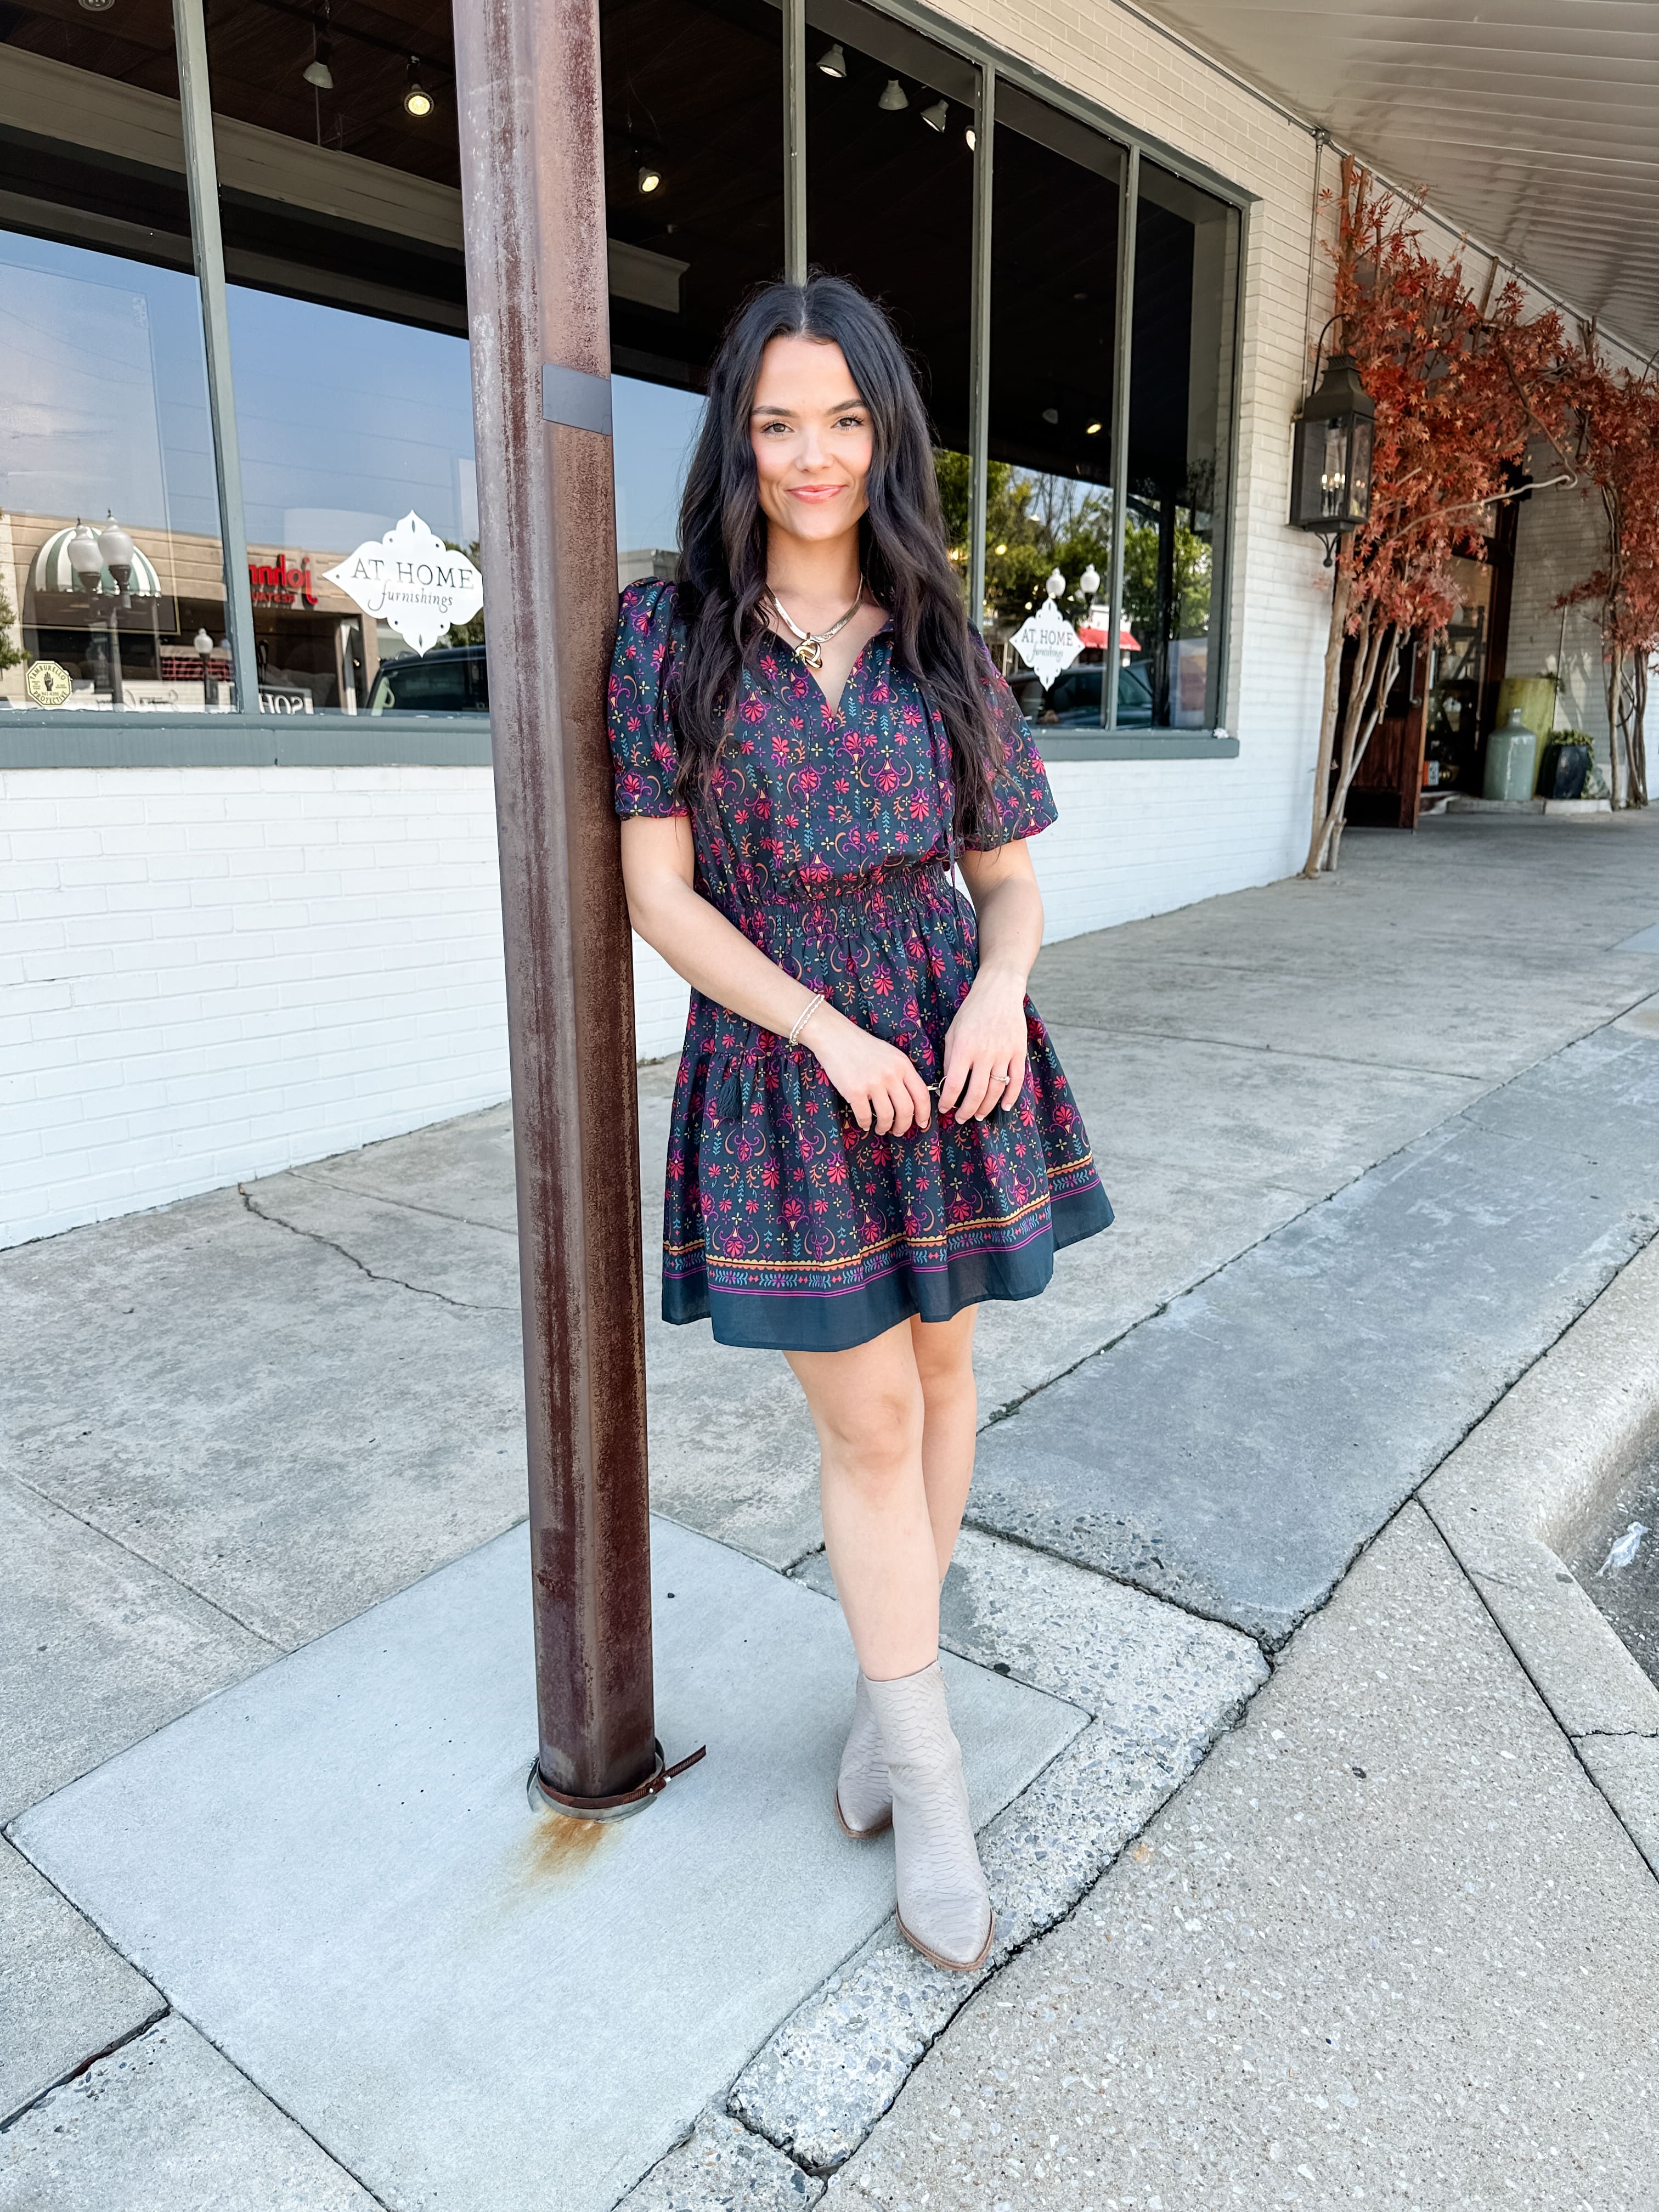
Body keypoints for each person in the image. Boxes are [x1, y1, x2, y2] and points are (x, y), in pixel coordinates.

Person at [608, 273, 1112, 1973]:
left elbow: (1011, 884)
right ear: (736, 439)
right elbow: (660, 902)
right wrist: (824, 1030)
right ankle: (935, 1771)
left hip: (953, 1058)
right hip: (792, 1069)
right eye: (776, 423)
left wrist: (989, 989)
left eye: (843, 421)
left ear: (883, 433)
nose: (811, 456)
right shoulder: (665, 632)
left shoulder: (947, 636)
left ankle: (882, 1705)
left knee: (953, 1379)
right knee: (872, 1424)